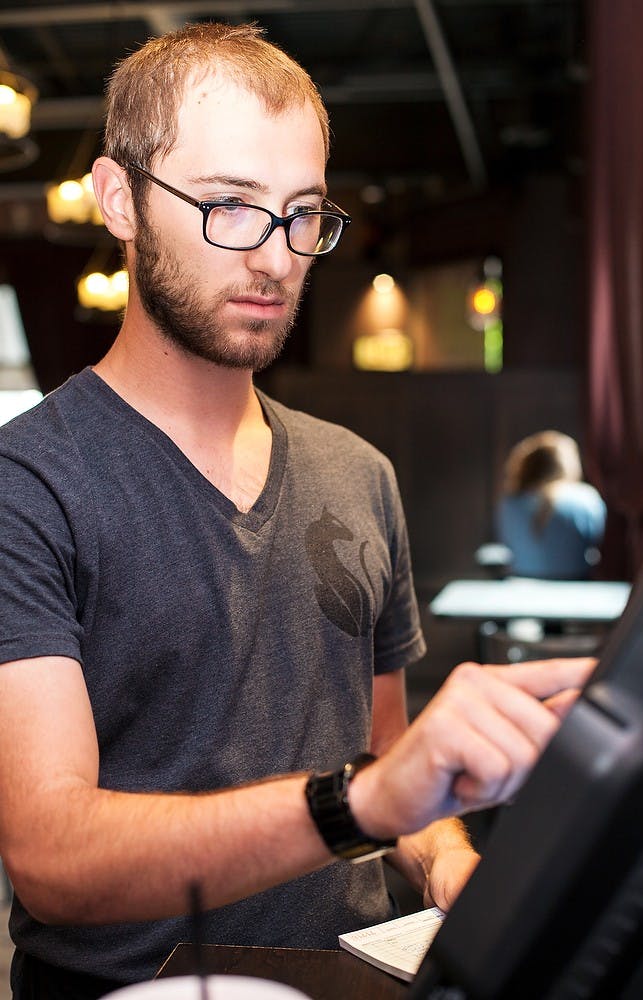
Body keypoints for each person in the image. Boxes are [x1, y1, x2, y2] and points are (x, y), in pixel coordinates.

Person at [0, 22, 594, 999]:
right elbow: (51, 858)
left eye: (302, 214)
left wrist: (450, 861)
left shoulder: (359, 473)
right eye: (230, 205)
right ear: (120, 199)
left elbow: (387, 760)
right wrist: (355, 800)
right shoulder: (30, 483)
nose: (276, 257)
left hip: (348, 975)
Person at [496, 431, 607, 580]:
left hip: (522, 588)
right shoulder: (586, 499)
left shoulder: (510, 503)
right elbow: (600, 545)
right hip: (577, 589)